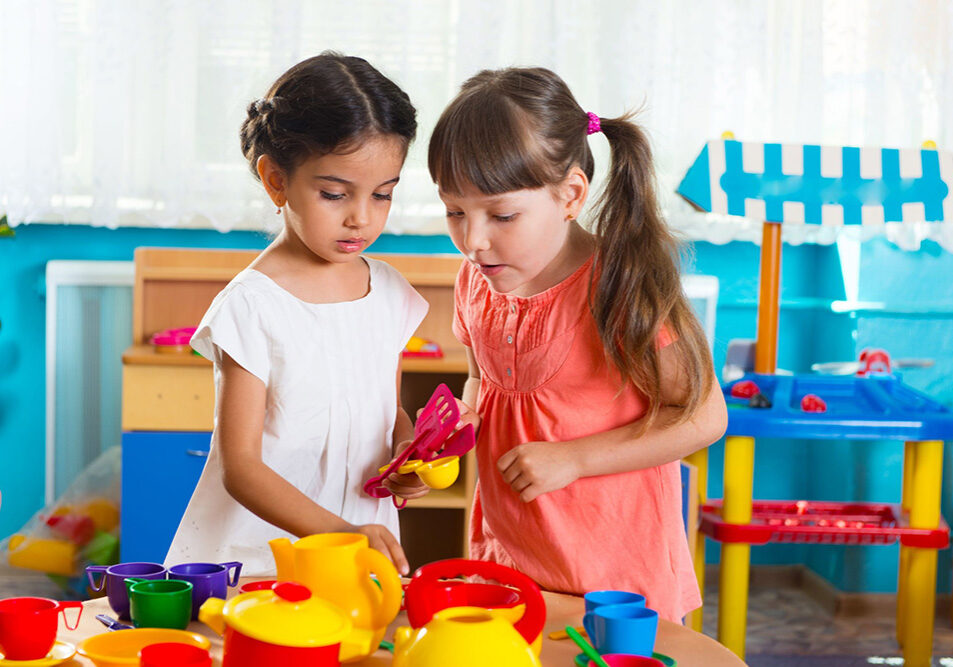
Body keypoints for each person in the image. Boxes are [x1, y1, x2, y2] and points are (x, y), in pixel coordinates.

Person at [428, 67, 728, 621]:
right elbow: (482, 380)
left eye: (502, 214)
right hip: (510, 558)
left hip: (617, 579)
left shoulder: (620, 287)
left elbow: (704, 418)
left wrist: (574, 459)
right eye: (454, 211)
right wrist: (445, 437)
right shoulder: (477, 278)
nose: (473, 240)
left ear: (569, 195)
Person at [165, 52, 429, 576]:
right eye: (334, 193)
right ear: (276, 180)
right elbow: (240, 468)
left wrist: (406, 453)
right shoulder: (252, 306)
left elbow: (385, 410)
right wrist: (342, 536)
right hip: (263, 555)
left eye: (382, 195)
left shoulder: (390, 292)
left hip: (358, 546)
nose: (361, 218)